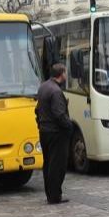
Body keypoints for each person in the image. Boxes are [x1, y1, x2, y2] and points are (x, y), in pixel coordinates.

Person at [35, 63, 72, 204]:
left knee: (48, 164)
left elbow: (37, 110)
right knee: (57, 165)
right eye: (65, 73)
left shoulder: (43, 87)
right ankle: (55, 196)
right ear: (61, 74)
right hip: (56, 133)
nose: (66, 75)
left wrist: (40, 124)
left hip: (44, 131)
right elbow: (59, 114)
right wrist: (69, 126)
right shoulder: (56, 91)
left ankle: (50, 194)